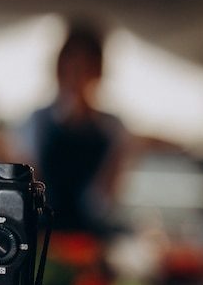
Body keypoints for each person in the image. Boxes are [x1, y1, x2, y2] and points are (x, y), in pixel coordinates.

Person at [14, 22, 132, 235]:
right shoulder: (37, 122)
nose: (78, 74)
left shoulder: (112, 127)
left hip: (91, 236)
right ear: (60, 68)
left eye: (86, 66)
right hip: (45, 234)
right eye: (72, 65)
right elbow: (31, 188)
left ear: (97, 71)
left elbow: (103, 201)